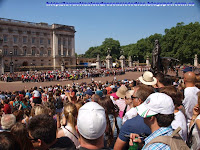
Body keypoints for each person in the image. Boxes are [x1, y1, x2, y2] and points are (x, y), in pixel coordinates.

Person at [114, 85, 153, 150]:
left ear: (139, 101)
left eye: (133, 97)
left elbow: (117, 148)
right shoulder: (161, 120)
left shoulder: (130, 124)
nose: (132, 99)